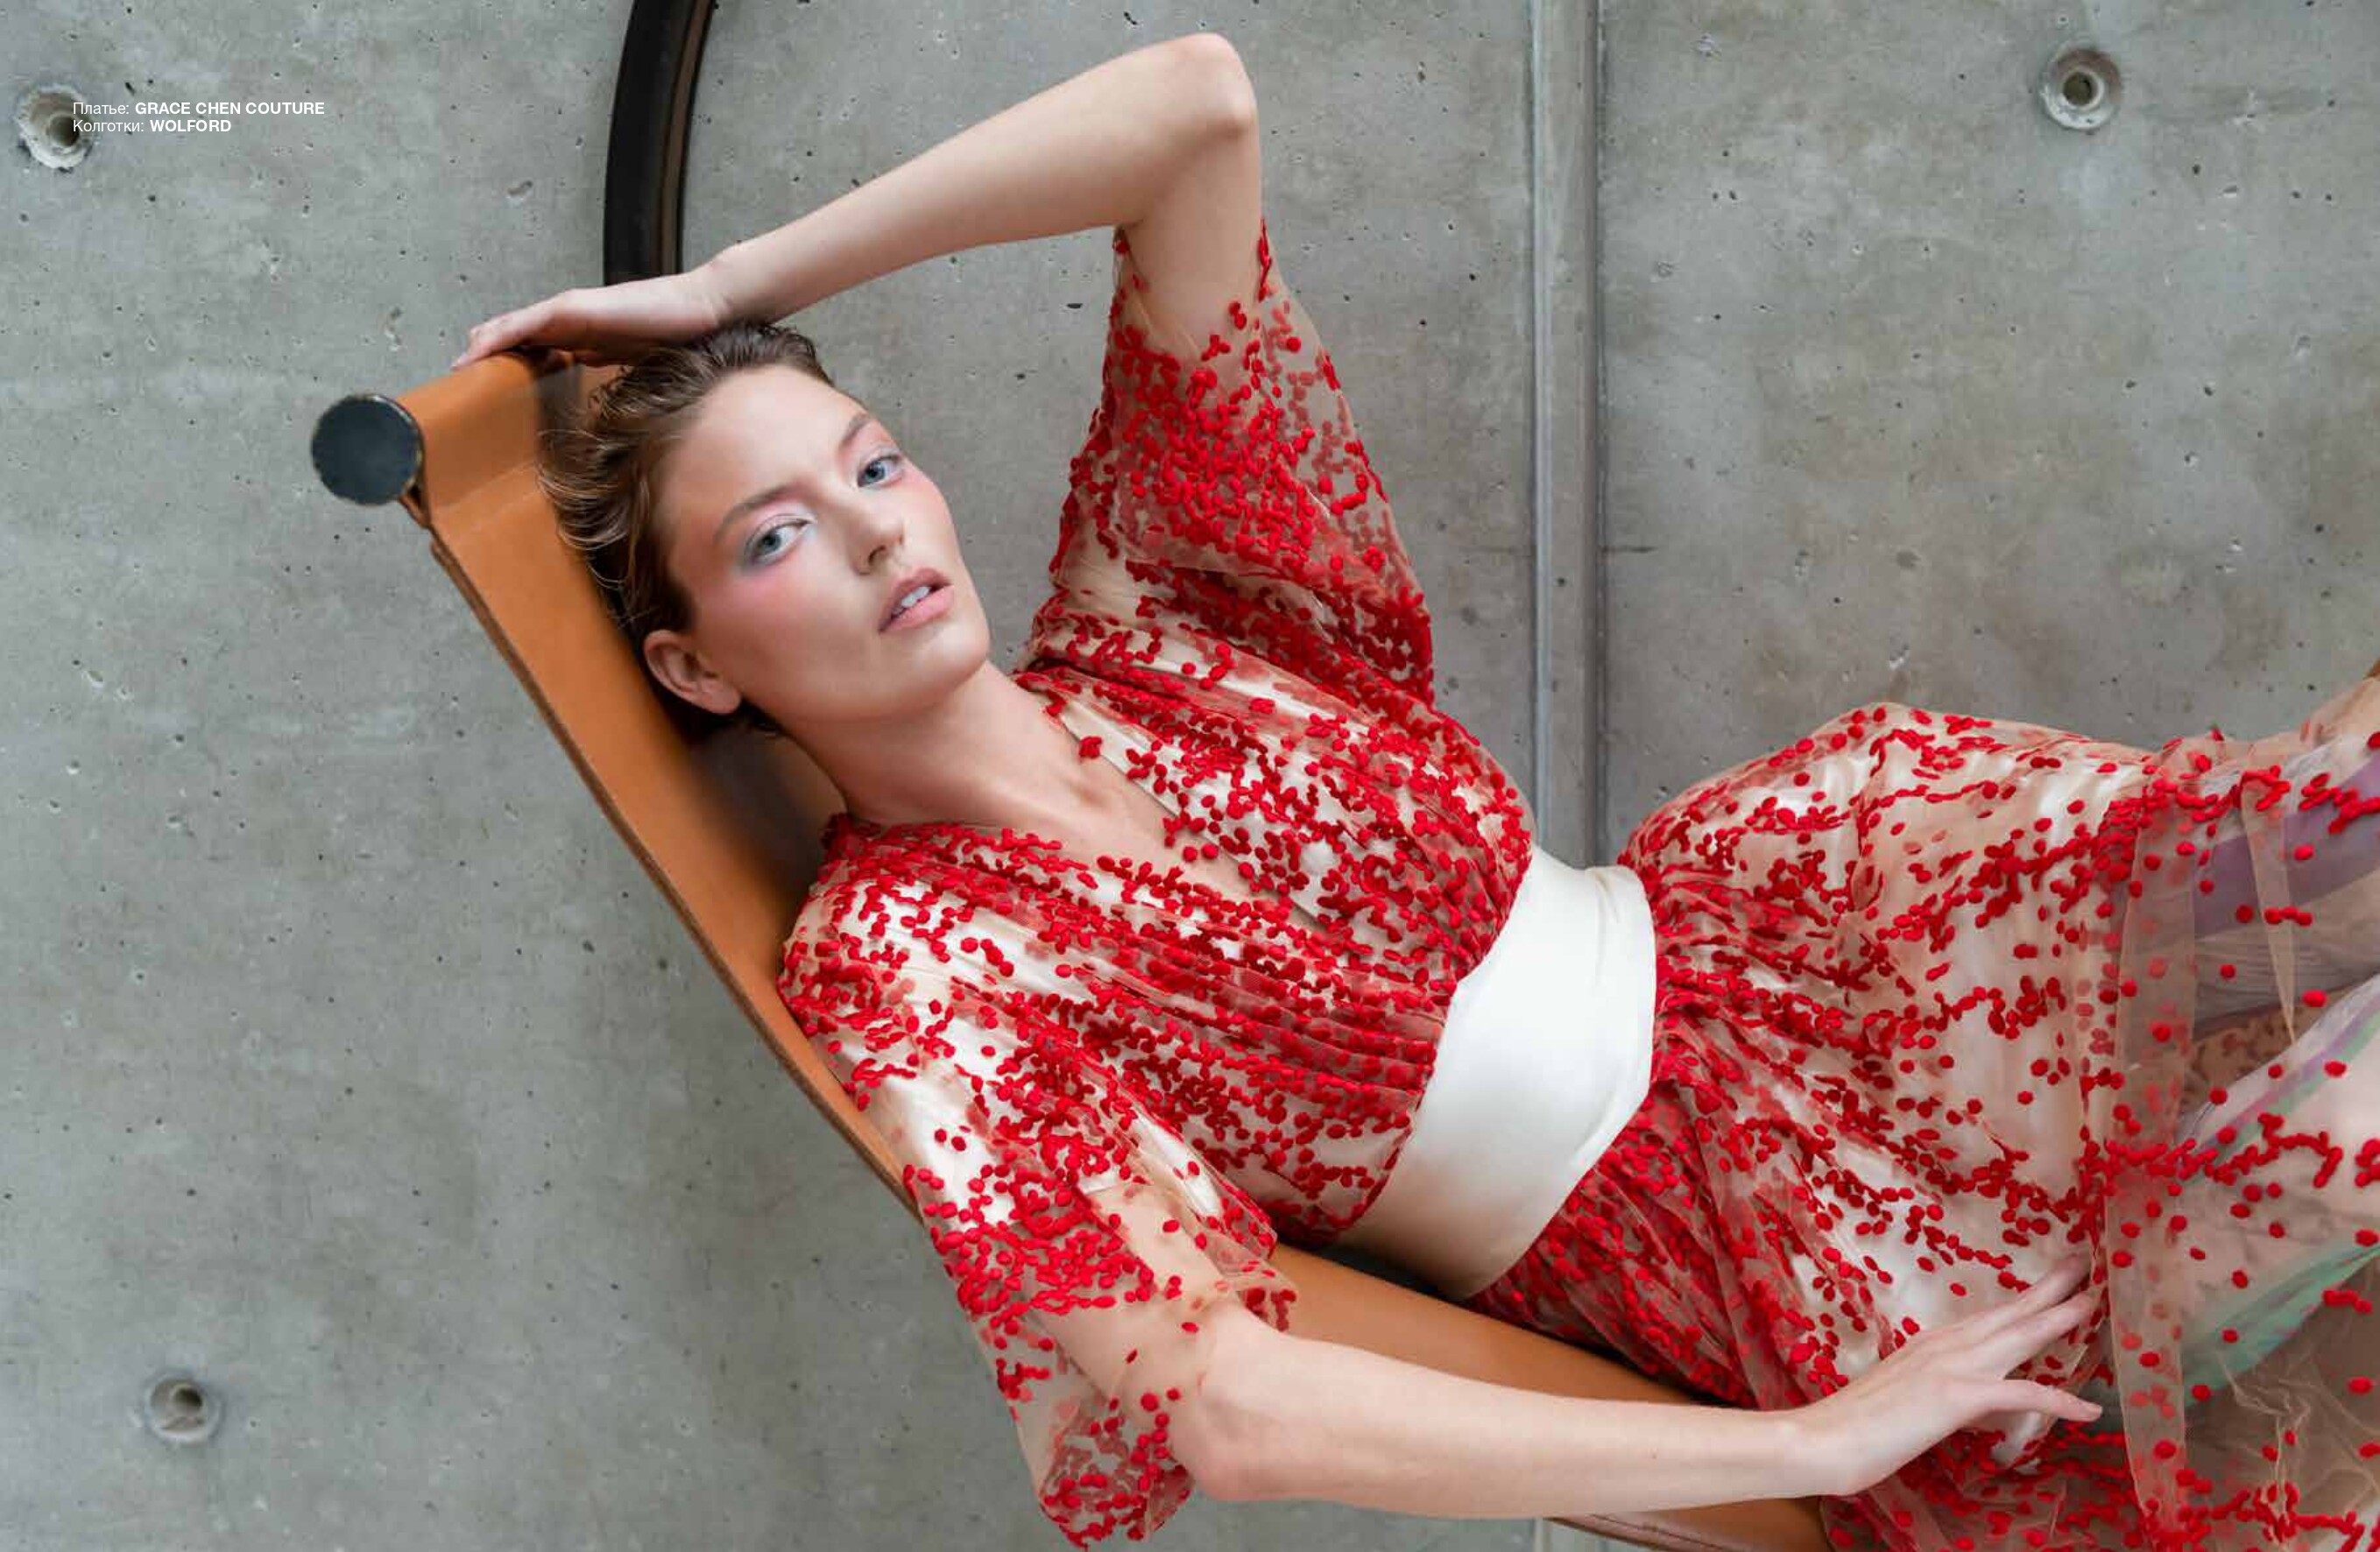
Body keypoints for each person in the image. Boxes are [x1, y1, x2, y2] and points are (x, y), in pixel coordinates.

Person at [451, 32, 2380, 1552]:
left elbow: (1192, 108)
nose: (879, 533)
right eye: (778, 534)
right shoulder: (909, 961)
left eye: (874, 464)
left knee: (2349, 846)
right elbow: (1226, 1404)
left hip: (1849, 935)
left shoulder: (1153, 609)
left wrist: (731, 283)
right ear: (696, 666)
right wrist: (1806, 1443)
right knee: (2324, 1184)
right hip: (1735, 1239)